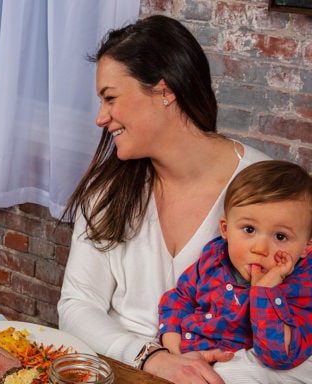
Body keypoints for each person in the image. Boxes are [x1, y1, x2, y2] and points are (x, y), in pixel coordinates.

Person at [57, 14, 311, 384]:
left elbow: (299, 340)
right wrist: (151, 357)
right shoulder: (107, 190)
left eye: (110, 97)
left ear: (164, 91)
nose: (101, 118)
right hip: (119, 369)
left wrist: (212, 374)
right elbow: (76, 306)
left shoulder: (271, 195)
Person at [158, 160, 312, 371]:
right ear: (226, 229)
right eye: (249, 229)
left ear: (306, 247)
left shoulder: (302, 288)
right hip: (183, 358)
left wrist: (264, 290)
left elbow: (279, 356)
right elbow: (179, 299)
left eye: (280, 236)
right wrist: (174, 352)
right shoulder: (214, 257)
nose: (260, 248)